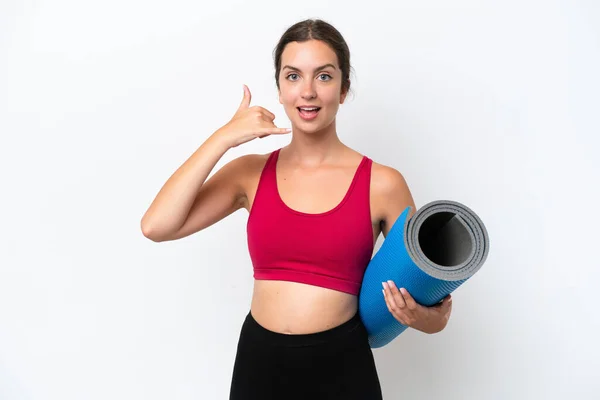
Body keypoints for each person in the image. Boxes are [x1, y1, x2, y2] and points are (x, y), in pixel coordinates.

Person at [141, 18, 453, 400]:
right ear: (279, 88)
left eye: (323, 77)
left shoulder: (382, 183)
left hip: (343, 366)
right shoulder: (249, 174)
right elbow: (156, 226)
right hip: (260, 364)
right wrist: (224, 137)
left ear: (343, 89)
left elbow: (437, 317)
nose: (307, 92)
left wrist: (416, 316)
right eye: (293, 76)